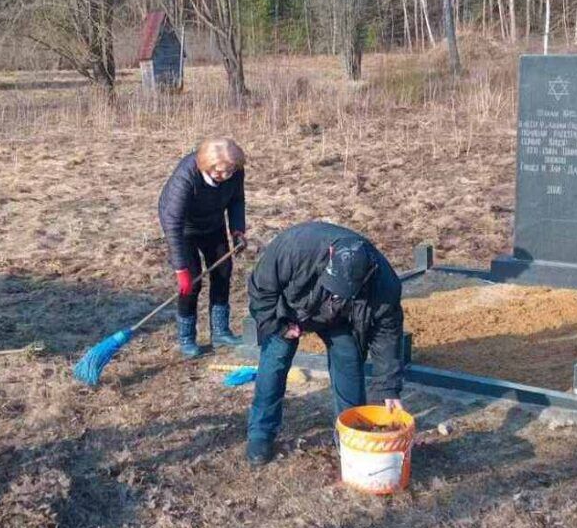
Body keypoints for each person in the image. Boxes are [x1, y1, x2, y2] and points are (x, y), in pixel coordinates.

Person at [244, 221, 405, 467]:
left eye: (345, 290)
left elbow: (387, 334)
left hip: (340, 319)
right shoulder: (294, 248)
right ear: (330, 255)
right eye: (335, 287)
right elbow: (261, 289)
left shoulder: (384, 283)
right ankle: (261, 432)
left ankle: (350, 434)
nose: (337, 293)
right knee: (275, 359)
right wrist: (279, 326)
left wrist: (388, 388)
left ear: (368, 273)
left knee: (349, 360)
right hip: (290, 310)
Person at [158, 138, 247, 357]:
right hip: (184, 229)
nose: (226, 177)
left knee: (223, 271)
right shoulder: (186, 178)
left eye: (230, 172)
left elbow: (237, 200)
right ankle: (187, 338)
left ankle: (220, 331)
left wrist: (237, 230)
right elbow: (173, 223)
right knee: (192, 283)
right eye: (220, 173)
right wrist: (181, 270)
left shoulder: (235, 171)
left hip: (213, 222)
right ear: (207, 165)